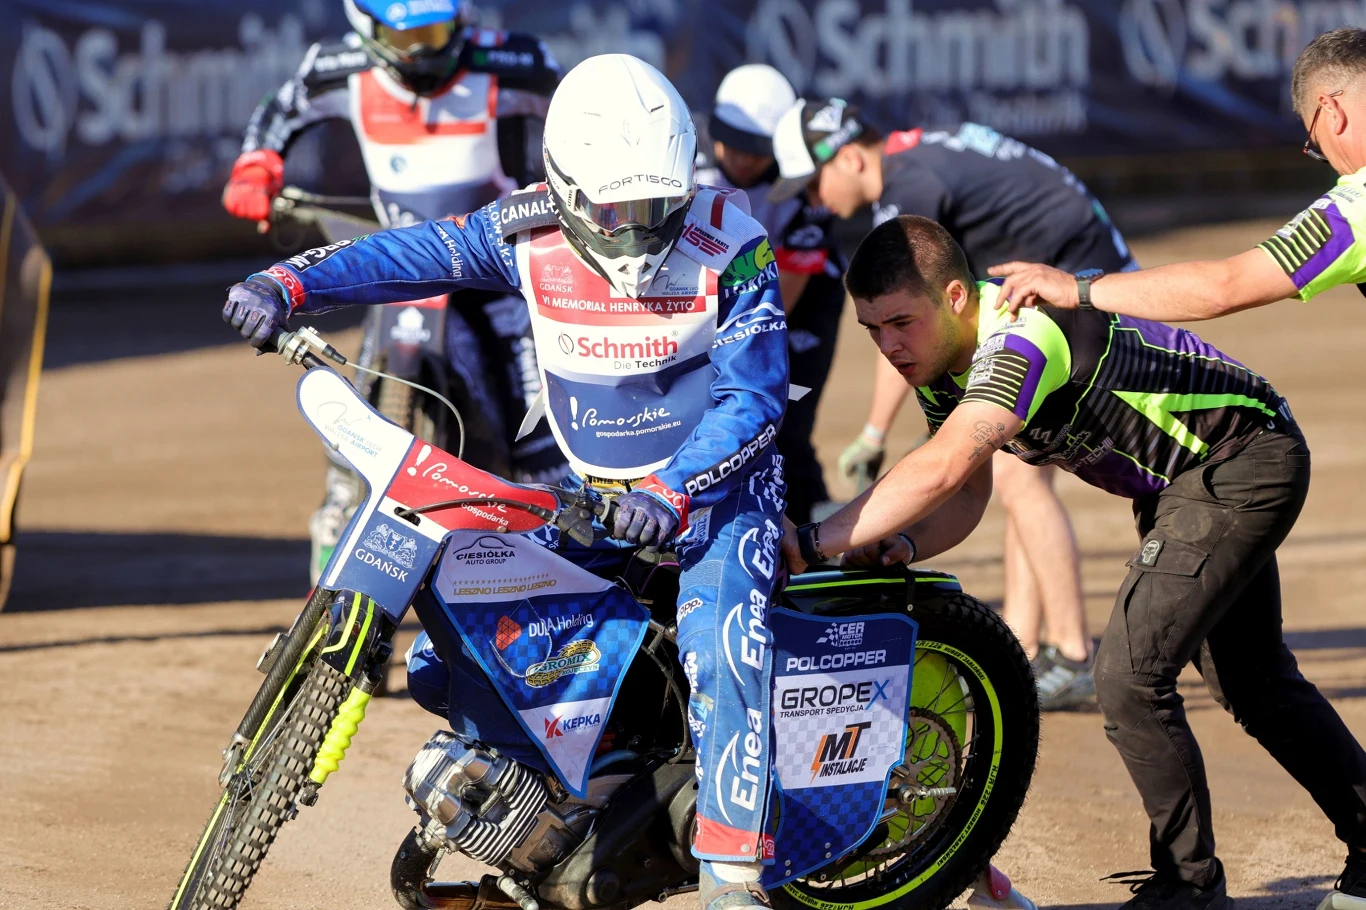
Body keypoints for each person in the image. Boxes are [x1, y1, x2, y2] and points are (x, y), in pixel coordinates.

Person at [223, 54, 789, 910]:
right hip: (594, 497)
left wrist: (674, 494)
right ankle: (571, 812)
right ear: (561, 186)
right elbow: (410, 254)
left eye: (655, 210)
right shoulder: (521, 232)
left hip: (716, 495)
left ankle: (732, 879)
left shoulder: (735, 244)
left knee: (721, 648)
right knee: (445, 663)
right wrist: (291, 282)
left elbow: (754, 395)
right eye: (616, 211)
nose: (637, 234)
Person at [780, 214, 1366, 909]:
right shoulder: (939, 363)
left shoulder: (1019, 333)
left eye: (900, 322)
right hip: (1184, 484)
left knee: (1127, 676)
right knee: (1254, 681)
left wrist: (816, 542)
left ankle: (1190, 885)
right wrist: (903, 543)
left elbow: (941, 468)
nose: (888, 346)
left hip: (1243, 458)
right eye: (872, 329)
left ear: (958, 297)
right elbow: (967, 493)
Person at [769, 98, 1134, 707]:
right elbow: (915, 328)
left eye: (812, 180)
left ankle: (1071, 652)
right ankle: (1023, 641)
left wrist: (872, 431)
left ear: (851, 156)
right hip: (1073, 273)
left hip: (1081, 293)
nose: (811, 199)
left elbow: (913, 325)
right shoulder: (919, 155)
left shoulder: (908, 186)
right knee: (1019, 462)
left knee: (1016, 479)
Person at [222, 0, 565, 582]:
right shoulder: (336, 65)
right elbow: (277, 111)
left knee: (541, 436)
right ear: (366, 29)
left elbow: (582, 116)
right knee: (349, 401)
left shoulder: (516, 60)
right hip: (404, 263)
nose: (423, 52)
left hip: (494, 263)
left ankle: (556, 562)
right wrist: (256, 165)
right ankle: (338, 514)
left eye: (435, 32)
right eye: (406, 37)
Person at [992, 27, 1366, 332]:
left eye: (1315, 144)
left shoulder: (1353, 209)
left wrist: (1077, 288)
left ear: (1330, 110)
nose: (1330, 163)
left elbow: (1223, 287)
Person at [695, 65, 846, 524]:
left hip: (795, 301)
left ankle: (812, 534)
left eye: (755, 151)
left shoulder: (808, 178)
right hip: (701, 297)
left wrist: (736, 338)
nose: (740, 159)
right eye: (732, 143)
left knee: (784, 422)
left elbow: (789, 293)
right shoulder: (682, 152)